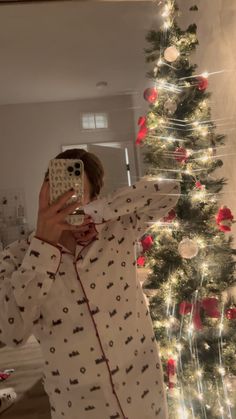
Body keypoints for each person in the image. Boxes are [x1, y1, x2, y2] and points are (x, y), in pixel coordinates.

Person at [0, 148, 180, 419]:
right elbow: (12, 334)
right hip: (79, 407)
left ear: (93, 196)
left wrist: (98, 211)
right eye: (57, 189)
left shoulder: (119, 229)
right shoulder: (15, 257)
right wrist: (44, 244)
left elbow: (170, 190)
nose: (64, 200)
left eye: (74, 194)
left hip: (144, 391)